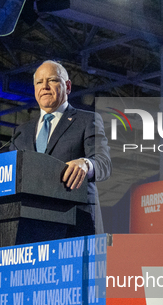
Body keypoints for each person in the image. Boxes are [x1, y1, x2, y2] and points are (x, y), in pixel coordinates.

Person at [10, 60, 111, 236]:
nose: (45, 86)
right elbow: (10, 173)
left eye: (53, 80)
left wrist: (86, 164)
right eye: (39, 82)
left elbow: (104, 164)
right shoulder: (21, 132)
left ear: (68, 86)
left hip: (76, 225)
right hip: (30, 227)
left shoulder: (87, 120)